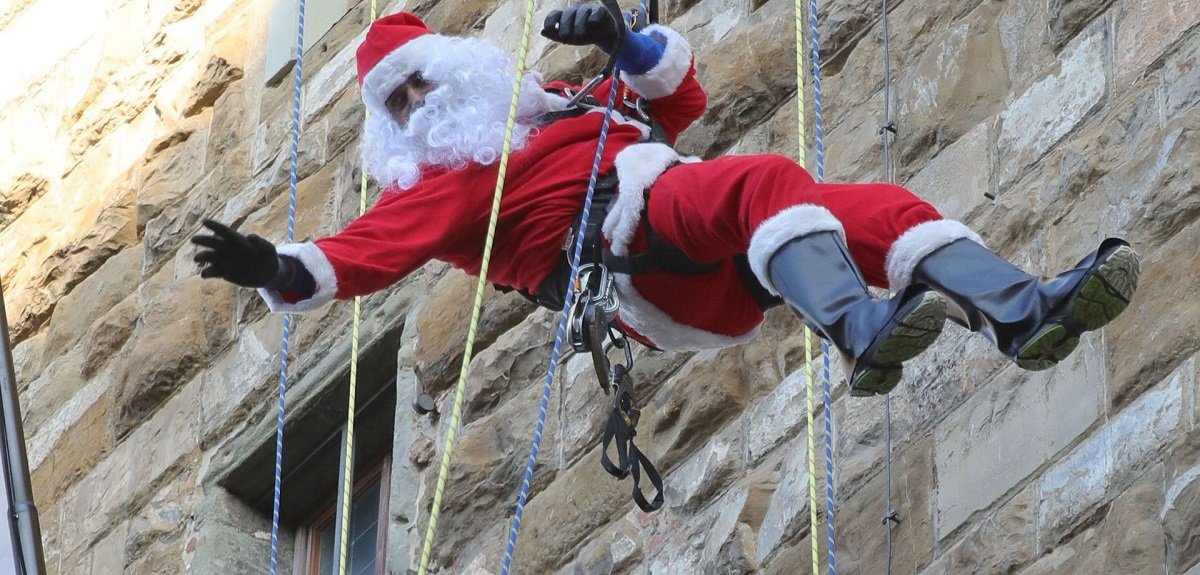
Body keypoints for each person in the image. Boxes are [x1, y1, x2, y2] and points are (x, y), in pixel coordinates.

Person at [193, 6, 1140, 397]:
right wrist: (270, 268)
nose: (416, 106)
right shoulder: (437, 186)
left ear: (455, 68)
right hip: (626, 258)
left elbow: (678, 101)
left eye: (418, 83)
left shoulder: (562, 105)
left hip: (689, 233)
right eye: (398, 105)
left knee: (880, 208)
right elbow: (359, 254)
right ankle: (859, 332)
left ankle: (1023, 313)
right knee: (765, 180)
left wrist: (620, 40)